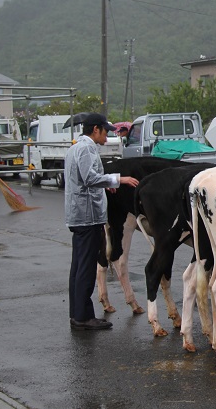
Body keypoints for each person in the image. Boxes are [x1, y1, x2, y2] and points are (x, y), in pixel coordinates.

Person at [65, 113, 139, 331]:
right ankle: (84, 317)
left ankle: (77, 312)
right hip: (87, 216)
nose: (108, 135)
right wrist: (118, 178)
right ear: (95, 129)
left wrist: (105, 184)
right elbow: (89, 178)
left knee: (78, 266)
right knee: (86, 267)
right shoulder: (87, 149)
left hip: (78, 215)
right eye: (105, 131)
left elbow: (83, 179)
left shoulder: (75, 147)